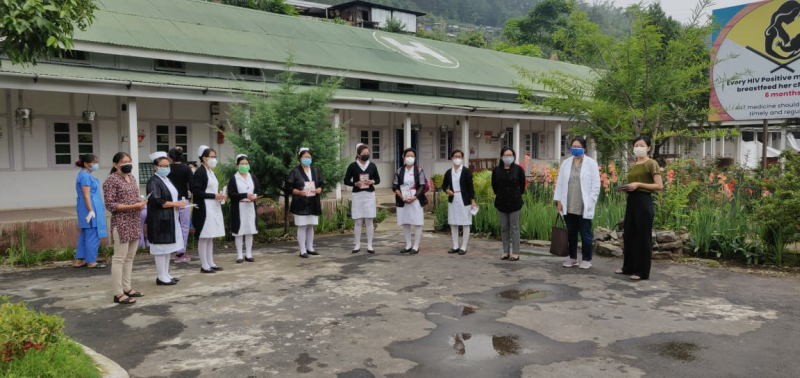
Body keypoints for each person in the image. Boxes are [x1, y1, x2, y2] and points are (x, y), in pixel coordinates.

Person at [103, 152, 147, 304]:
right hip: (121, 223)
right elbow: (110, 205)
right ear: (116, 164)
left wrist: (140, 204)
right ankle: (118, 293)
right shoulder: (111, 180)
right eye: (124, 161)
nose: (128, 164)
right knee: (119, 259)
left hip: (134, 221)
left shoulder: (132, 178)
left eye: (129, 161)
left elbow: (134, 198)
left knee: (130, 257)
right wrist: (134, 205)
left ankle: (127, 288)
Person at [618, 136, 663, 281]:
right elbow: (634, 183)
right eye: (636, 145)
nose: (638, 147)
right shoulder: (635, 163)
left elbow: (659, 186)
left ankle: (642, 271)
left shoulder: (652, 163)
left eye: (641, 145)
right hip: (632, 200)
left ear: (648, 148)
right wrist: (629, 188)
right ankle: (628, 267)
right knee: (629, 235)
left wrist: (638, 185)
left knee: (642, 237)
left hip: (644, 201)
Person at [554, 137, 601, 269]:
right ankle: (572, 257)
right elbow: (560, 183)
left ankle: (586, 259)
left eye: (578, 146)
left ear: (584, 148)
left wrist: (592, 200)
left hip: (583, 204)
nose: (575, 148)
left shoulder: (591, 163)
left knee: (585, 233)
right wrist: (558, 200)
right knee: (571, 233)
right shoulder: (566, 163)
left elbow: (596, 184)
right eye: (573, 146)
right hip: (568, 203)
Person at [146, 152, 187, 285]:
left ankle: (166, 273)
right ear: (155, 167)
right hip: (159, 219)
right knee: (161, 248)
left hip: (171, 217)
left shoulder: (167, 179)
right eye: (162, 165)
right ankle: (161, 276)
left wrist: (179, 204)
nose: (165, 168)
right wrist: (175, 204)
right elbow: (157, 200)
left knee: (168, 247)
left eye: (167, 165)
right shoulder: (153, 181)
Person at [192, 145, 227, 273]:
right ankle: (204, 265)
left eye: (215, 157)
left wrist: (219, 195)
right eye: (212, 157)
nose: (214, 159)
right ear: (204, 158)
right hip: (204, 207)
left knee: (210, 236)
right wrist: (214, 195)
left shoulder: (211, 172)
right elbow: (196, 191)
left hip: (214, 206)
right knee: (204, 236)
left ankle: (211, 262)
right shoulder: (200, 172)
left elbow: (211, 189)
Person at [343, 144, 380, 254]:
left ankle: (370, 245)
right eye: (364, 154)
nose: (366, 156)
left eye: (368, 154)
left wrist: (372, 181)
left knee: (369, 220)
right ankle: (357, 244)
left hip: (369, 195)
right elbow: (346, 180)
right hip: (358, 195)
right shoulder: (352, 166)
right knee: (358, 221)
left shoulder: (372, 165)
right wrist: (355, 183)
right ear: (358, 155)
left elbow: (378, 179)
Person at [287, 148, 324, 258]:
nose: (307, 159)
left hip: (313, 201)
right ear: (300, 159)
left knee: (310, 226)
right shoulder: (295, 171)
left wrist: (319, 189)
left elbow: (321, 183)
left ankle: (310, 247)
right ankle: (302, 249)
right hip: (300, 202)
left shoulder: (315, 171)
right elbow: (288, 186)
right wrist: (298, 192)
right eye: (305, 157)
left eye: (309, 157)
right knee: (302, 226)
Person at [74, 153, 107, 268]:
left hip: (86, 207)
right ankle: (91, 261)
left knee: (85, 234)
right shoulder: (85, 176)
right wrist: (91, 210)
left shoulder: (84, 175)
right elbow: (86, 195)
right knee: (92, 234)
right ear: (86, 164)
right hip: (90, 208)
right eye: (94, 163)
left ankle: (80, 260)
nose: (96, 165)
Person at [492, 147, 526, 261]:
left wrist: (515, 194)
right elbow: (494, 187)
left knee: (515, 227)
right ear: (501, 157)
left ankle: (516, 252)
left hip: (515, 202)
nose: (508, 157)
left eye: (510, 155)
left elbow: (522, 186)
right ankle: (505, 252)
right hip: (501, 202)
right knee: (504, 228)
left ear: (514, 156)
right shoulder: (496, 170)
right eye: (506, 155)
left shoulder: (518, 169)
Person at [393, 148, 428, 255]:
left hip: (415, 198)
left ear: (415, 158)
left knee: (417, 222)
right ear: (403, 157)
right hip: (403, 198)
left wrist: (415, 196)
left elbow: (422, 185)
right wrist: (402, 197)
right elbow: (395, 186)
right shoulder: (399, 171)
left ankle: (416, 245)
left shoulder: (419, 170)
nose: (410, 158)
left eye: (412, 156)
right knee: (406, 222)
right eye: (408, 155)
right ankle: (408, 244)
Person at [441, 150, 476, 255]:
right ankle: (455, 245)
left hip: (464, 199)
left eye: (459, 157)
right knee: (453, 223)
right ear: (451, 158)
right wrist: (447, 190)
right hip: (453, 199)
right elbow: (443, 186)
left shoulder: (466, 171)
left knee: (465, 223)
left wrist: (472, 201)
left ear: (462, 158)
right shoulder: (448, 172)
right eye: (455, 156)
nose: (457, 158)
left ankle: (464, 246)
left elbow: (471, 187)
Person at [228, 154, 260, 263]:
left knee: (250, 230)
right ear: (237, 166)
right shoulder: (233, 179)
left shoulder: (253, 177)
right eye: (242, 164)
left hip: (250, 206)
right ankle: (239, 255)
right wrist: (244, 195)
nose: (244, 166)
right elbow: (231, 194)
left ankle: (249, 254)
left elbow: (258, 190)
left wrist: (255, 196)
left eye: (246, 164)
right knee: (239, 231)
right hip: (239, 207)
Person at [168, 147, 194, 263]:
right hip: (183, 200)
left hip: (169, 201)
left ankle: (168, 250)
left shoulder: (166, 168)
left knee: (171, 226)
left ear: (170, 157)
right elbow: (192, 186)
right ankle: (180, 252)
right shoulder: (186, 169)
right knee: (184, 226)